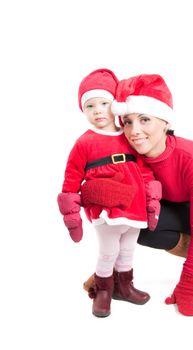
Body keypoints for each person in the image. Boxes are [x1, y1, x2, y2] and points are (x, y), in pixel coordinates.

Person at [108, 73, 193, 316]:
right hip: (165, 205)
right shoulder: (131, 153)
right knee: (129, 219)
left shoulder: (192, 157)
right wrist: (104, 273)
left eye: (144, 120)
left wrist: (188, 283)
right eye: (128, 122)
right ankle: (115, 276)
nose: (134, 130)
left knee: (141, 223)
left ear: (165, 123)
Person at [57, 69, 162, 317]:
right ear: (83, 111)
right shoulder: (85, 142)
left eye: (104, 103)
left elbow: (143, 169)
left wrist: (151, 199)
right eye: (90, 106)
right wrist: (71, 216)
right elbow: (71, 177)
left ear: (114, 105)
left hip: (133, 203)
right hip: (104, 204)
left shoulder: (128, 135)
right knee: (109, 250)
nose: (97, 111)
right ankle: (103, 290)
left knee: (128, 247)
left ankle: (124, 286)